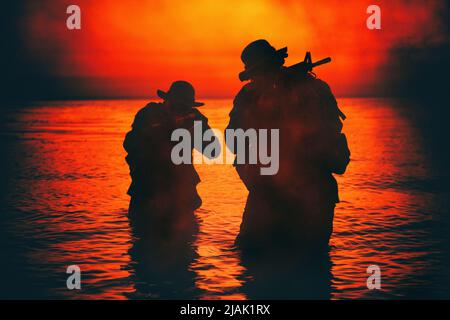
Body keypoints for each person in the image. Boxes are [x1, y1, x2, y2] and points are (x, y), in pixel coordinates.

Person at [226, 40, 350, 252]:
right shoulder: (250, 96)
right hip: (268, 191)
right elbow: (234, 139)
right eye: (255, 75)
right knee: (250, 254)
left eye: (260, 72)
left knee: (310, 261)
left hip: (311, 191)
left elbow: (330, 130)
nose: (257, 79)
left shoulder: (312, 89)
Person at [124, 80, 219, 236]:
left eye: (184, 107)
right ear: (166, 101)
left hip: (180, 196)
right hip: (147, 192)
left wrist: (195, 127)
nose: (179, 111)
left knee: (185, 247)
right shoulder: (149, 114)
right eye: (176, 106)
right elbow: (130, 144)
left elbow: (213, 151)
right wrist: (161, 130)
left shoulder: (193, 120)